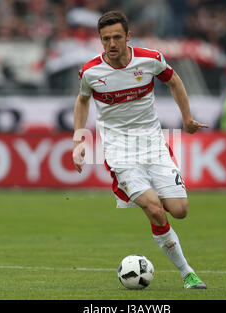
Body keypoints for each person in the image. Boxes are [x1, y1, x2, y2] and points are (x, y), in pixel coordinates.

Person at [72, 11, 208, 289]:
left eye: (117, 37)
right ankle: (188, 274)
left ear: (128, 37)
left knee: (179, 211)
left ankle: (152, 192)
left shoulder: (151, 59)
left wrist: (187, 118)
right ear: (100, 40)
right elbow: (83, 100)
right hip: (119, 152)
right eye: (106, 39)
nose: (111, 43)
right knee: (156, 211)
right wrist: (78, 140)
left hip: (153, 146)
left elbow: (174, 81)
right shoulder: (90, 72)